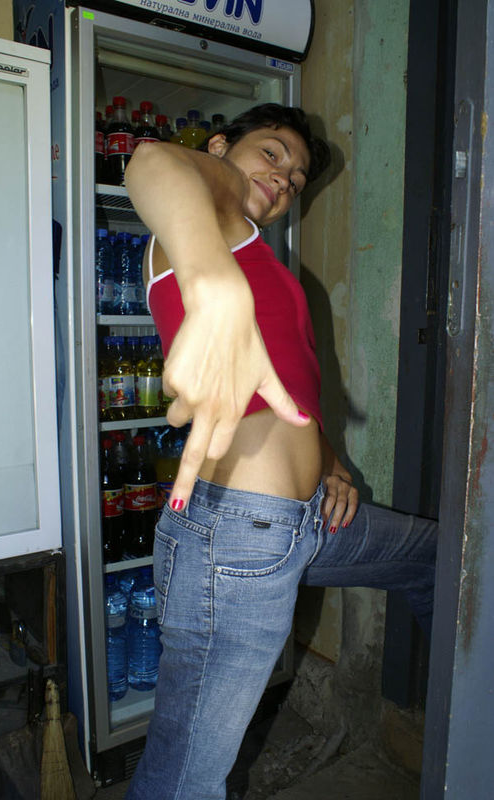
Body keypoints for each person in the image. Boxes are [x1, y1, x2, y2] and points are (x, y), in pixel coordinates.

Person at [123, 104, 437, 800]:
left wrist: (330, 461)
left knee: (439, 559)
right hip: (236, 534)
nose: (284, 178)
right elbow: (151, 162)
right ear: (218, 147)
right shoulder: (207, 223)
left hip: (307, 519)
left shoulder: (258, 254)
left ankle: (463, 721)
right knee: (188, 780)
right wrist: (211, 281)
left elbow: (287, 382)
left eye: (296, 177)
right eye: (271, 153)